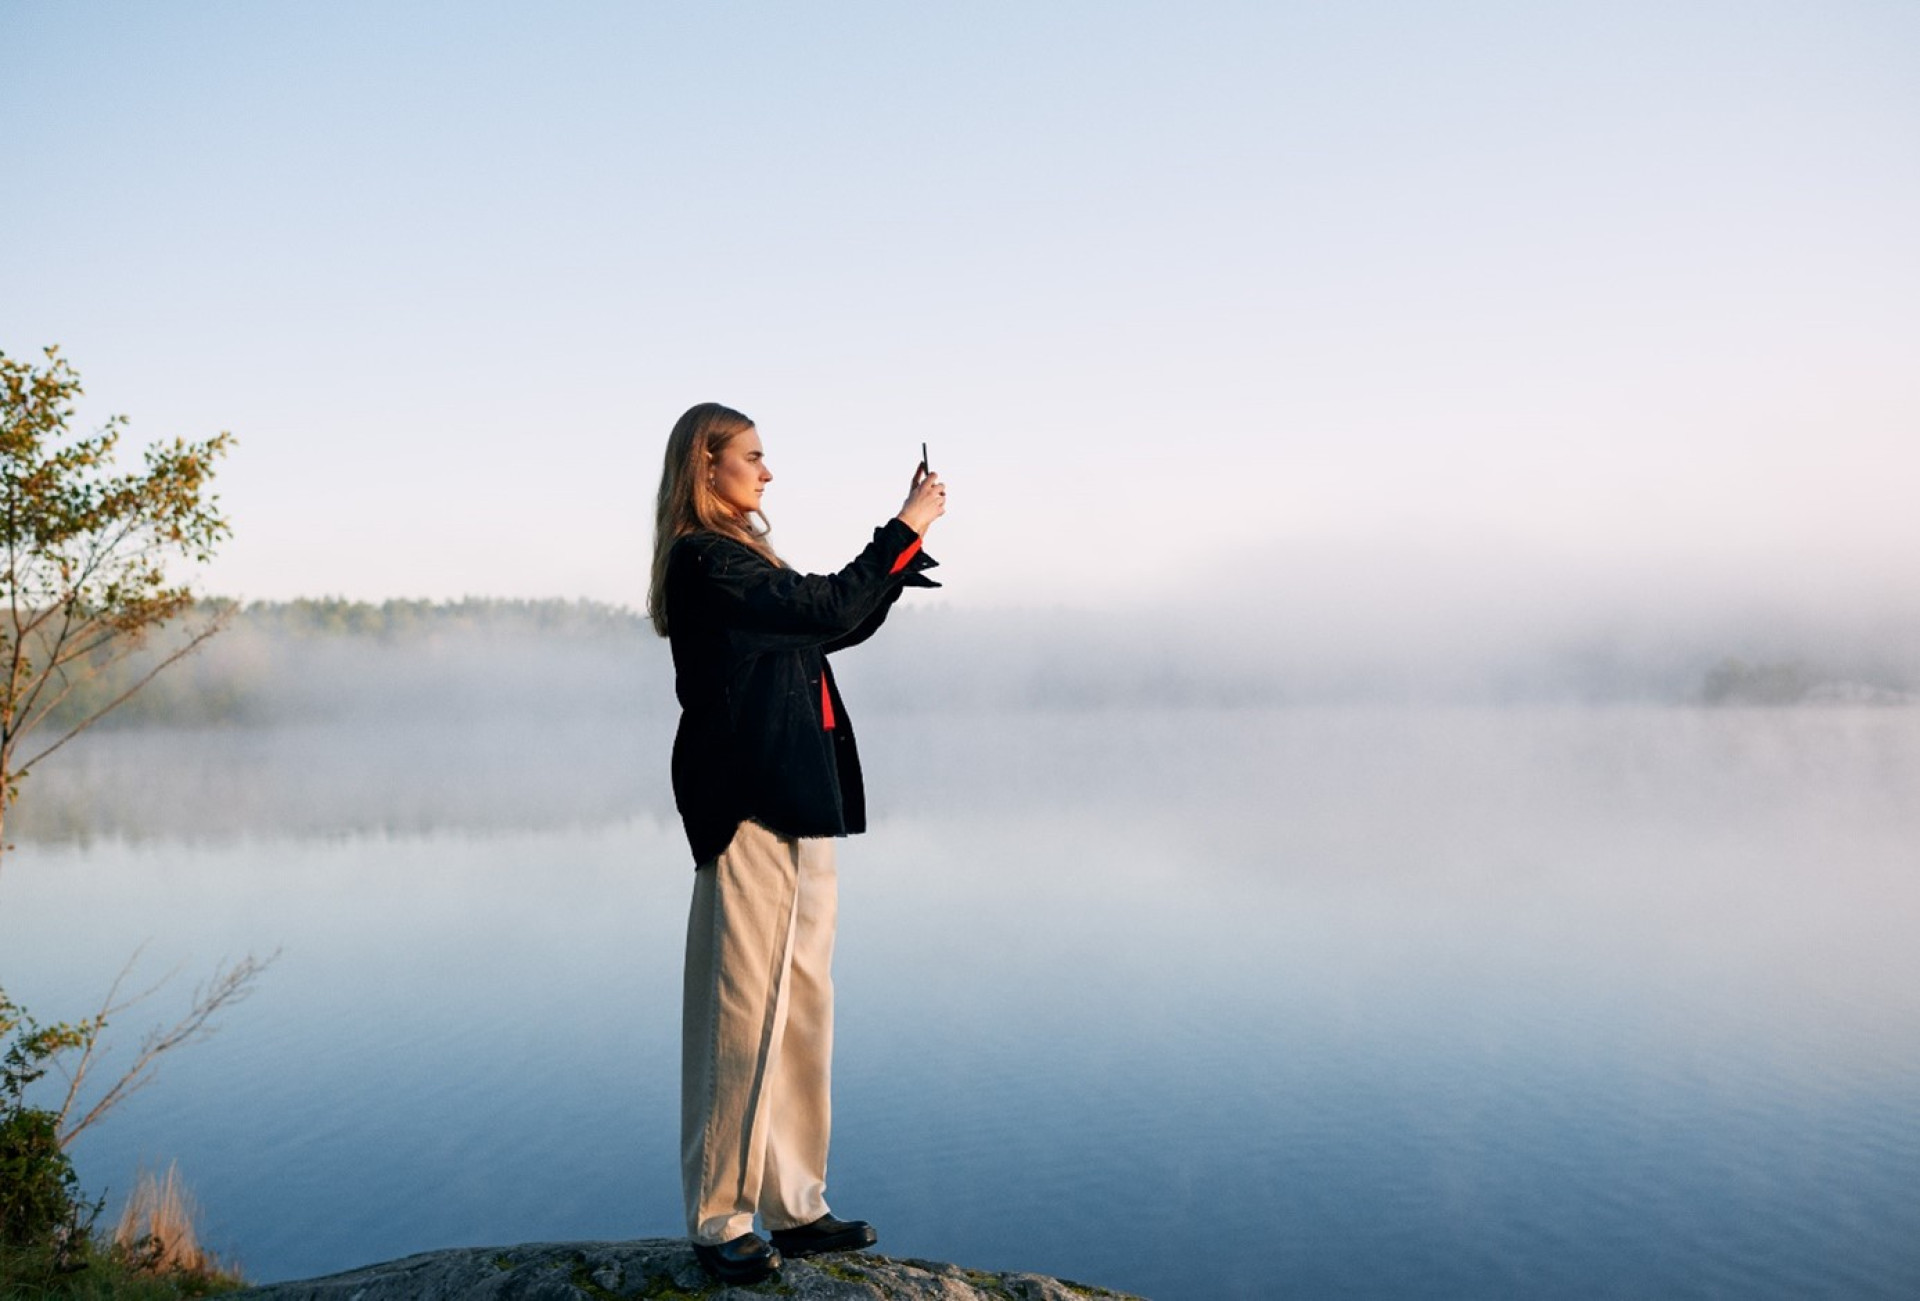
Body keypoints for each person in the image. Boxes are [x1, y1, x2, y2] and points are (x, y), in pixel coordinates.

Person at [647, 402, 946, 1285]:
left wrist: (897, 553)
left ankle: (794, 1204)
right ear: (707, 467)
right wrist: (904, 527)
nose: (767, 472)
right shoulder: (705, 560)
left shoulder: (740, 558)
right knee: (742, 1010)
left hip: (799, 796)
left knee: (801, 1001)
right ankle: (719, 1217)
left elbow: (836, 621)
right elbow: (823, 602)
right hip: (747, 800)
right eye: (753, 456)